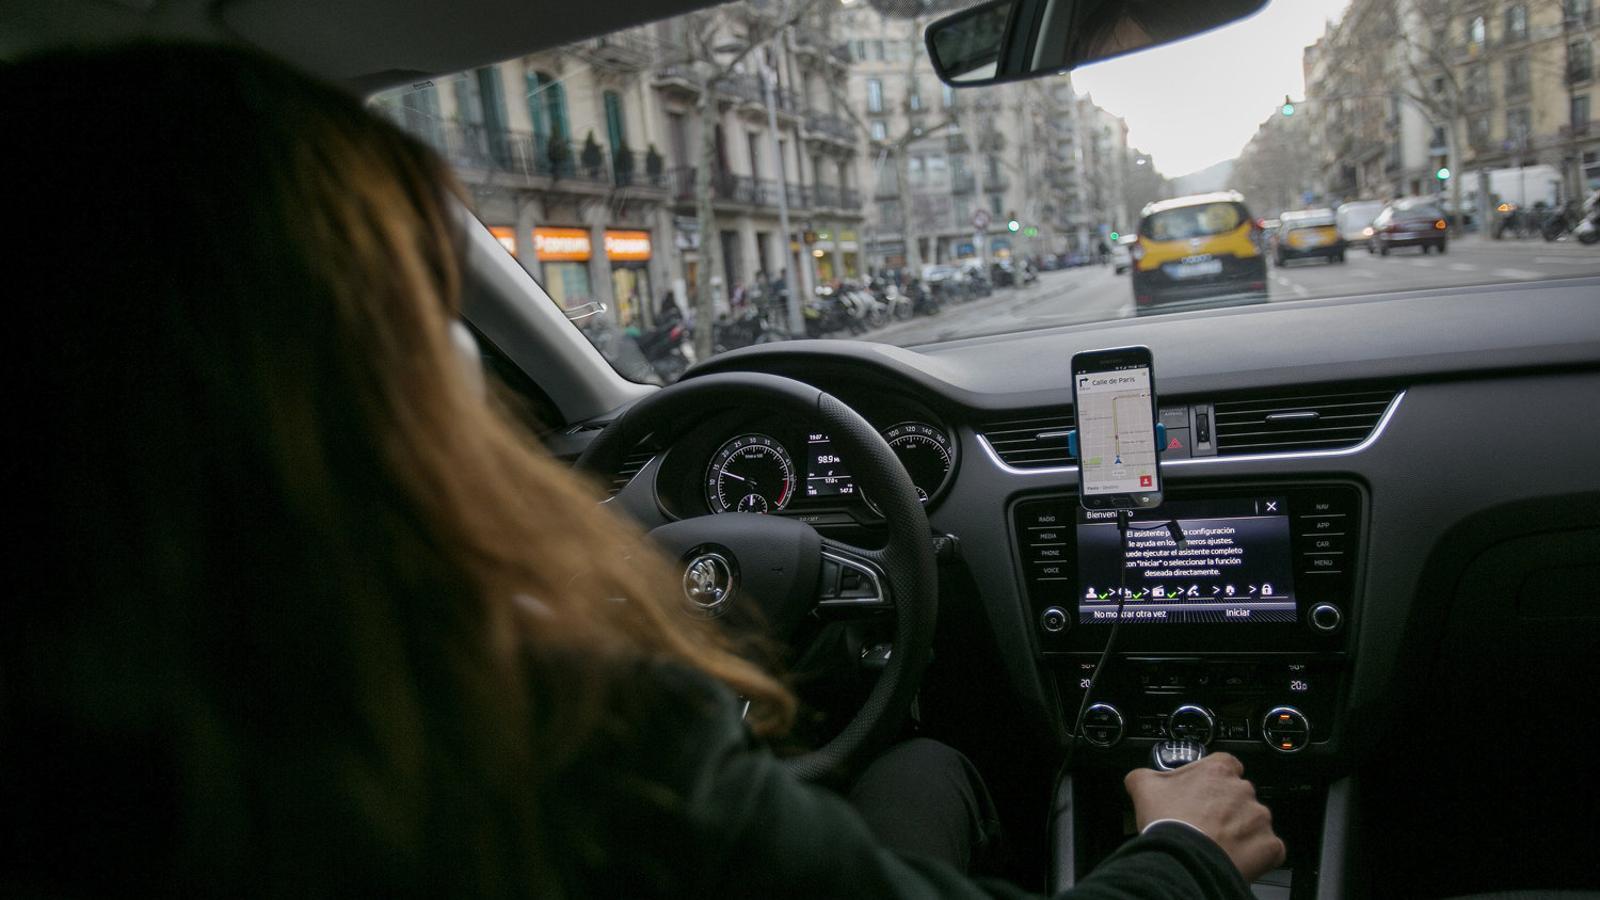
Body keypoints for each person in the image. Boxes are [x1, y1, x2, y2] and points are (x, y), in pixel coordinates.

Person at [3, 43, 1283, 897]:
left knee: (911, 768)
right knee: (924, 771)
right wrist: (1182, 850)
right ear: (369, 386)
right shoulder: (545, 740)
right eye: (428, 318)